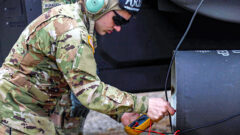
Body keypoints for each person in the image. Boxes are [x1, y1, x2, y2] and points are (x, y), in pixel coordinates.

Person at [0, 0, 175, 134]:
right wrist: (143, 105)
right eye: (118, 19)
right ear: (98, 4)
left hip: (25, 111)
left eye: (124, 23)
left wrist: (121, 114)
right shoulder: (72, 31)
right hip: (15, 114)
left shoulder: (78, 23)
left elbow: (80, 81)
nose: (118, 28)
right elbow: (88, 91)